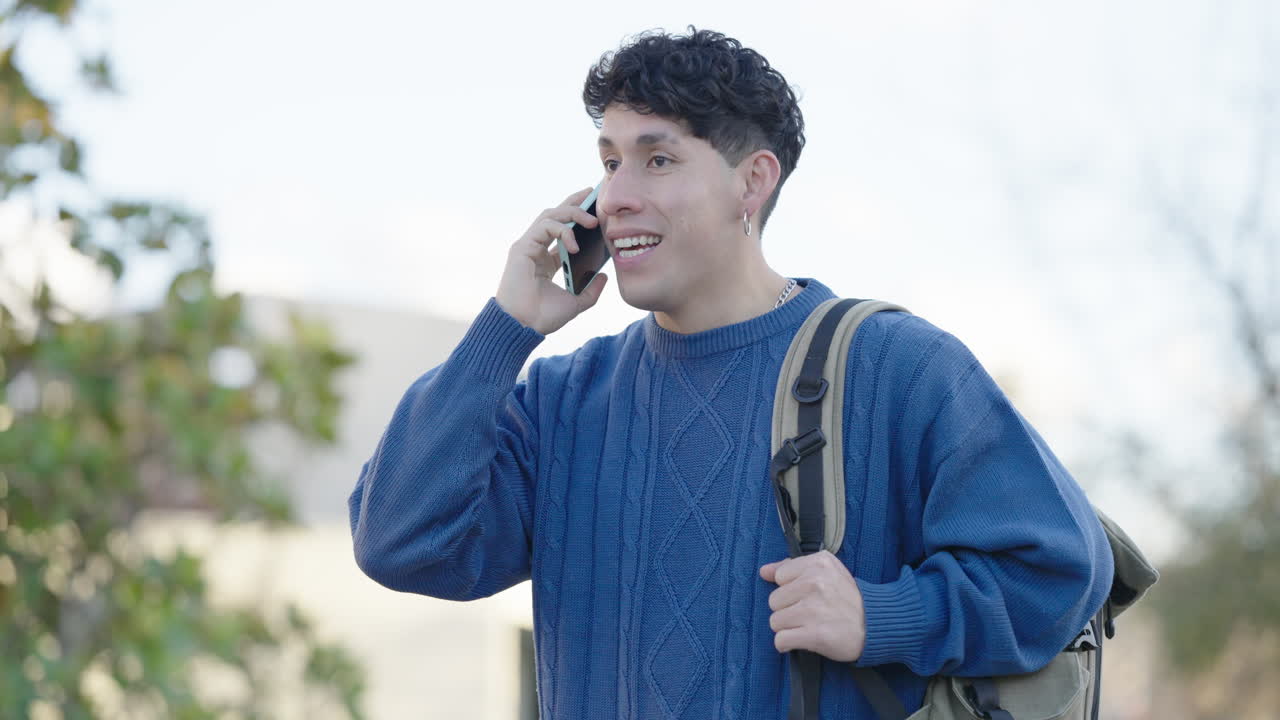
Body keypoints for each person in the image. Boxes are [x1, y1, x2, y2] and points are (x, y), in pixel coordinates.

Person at [348, 27, 1113, 719]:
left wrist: (885, 617)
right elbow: (400, 543)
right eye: (609, 162)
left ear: (753, 182)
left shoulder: (898, 368)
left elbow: (1059, 570)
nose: (615, 197)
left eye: (658, 158)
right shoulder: (561, 400)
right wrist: (505, 330)